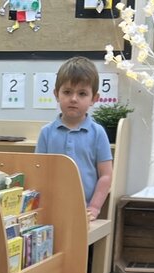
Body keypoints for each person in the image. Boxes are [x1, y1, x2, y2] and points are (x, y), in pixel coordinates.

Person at [35, 56, 114, 221]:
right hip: (51, 211)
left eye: (82, 93)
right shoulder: (46, 133)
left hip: (84, 213)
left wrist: (94, 207)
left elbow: (106, 175)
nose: (73, 99)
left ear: (94, 99)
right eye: (67, 92)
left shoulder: (98, 133)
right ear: (56, 94)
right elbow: (38, 172)